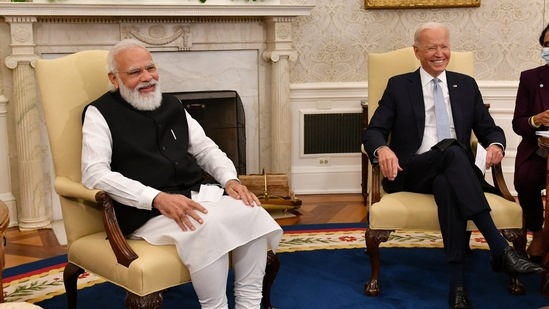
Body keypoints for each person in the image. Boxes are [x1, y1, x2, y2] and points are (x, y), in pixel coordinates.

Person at [81, 39, 283, 309]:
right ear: (114, 79)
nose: (147, 78)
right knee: (204, 225)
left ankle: (249, 305)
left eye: (150, 68)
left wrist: (229, 178)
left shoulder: (173, 104)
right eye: (135, 72)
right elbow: (94, 173)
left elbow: (205, 148)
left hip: (192, 194)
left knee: (250, 210)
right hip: (145, 210)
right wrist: (156, 198)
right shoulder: (99, 113)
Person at [363, 22, 543, 309]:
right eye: (431, 47)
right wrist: (382, 147)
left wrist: (496, 144)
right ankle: (500, 249)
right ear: (417, 51)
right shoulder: (399, 85)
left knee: (448, 181)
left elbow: (489, 129)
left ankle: (457, 287)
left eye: (444, 46)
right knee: (454, 150)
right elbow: (373, 130)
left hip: (452, 173)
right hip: (413, 171)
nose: (439, 53)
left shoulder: (465, 85)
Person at [512, 22, 549, 262]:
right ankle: (538, 232)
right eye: (547, 45)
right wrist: (536, 120)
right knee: (525, 179)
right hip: (540, 149)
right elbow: (518, 122)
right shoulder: (530, 78)